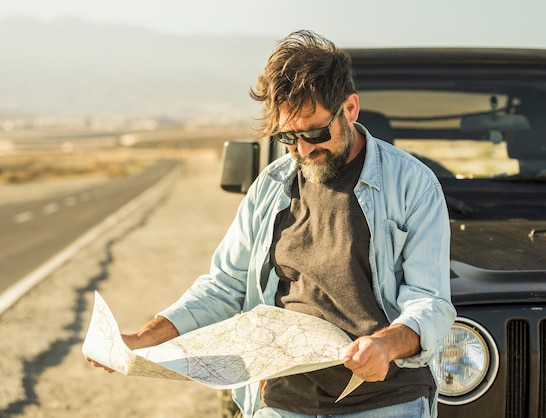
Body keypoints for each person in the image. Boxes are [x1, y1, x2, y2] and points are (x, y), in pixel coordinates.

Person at [86, 29, 456, 418]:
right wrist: (140, 340)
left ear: (350, 109)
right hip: (281, 404)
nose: (304, 149)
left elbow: (430, 302)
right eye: (288, 137)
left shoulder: (413, 185)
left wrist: (384, 346)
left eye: (314, 132)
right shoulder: (270, 187)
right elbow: (224, 286)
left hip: (384, 402)